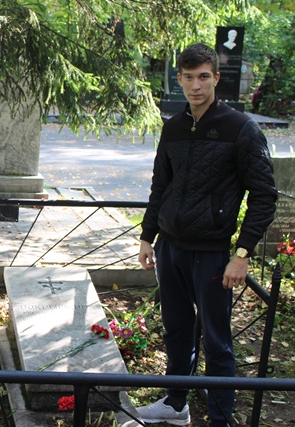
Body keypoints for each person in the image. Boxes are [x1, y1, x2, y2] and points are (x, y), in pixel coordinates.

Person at [136, 43, 276, 426]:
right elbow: (160, 185)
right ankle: (175, 404)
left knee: (217, 341)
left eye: (203, 77)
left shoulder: (240, 128)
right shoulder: (173, 127)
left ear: (216, 78)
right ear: (179, 80)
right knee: (177, 330)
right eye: (188, 77)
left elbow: (264, 195)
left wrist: (242, 254)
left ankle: (219, 419)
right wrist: (148, 236)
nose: (195, 86)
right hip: (170, 248)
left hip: (212, 253)